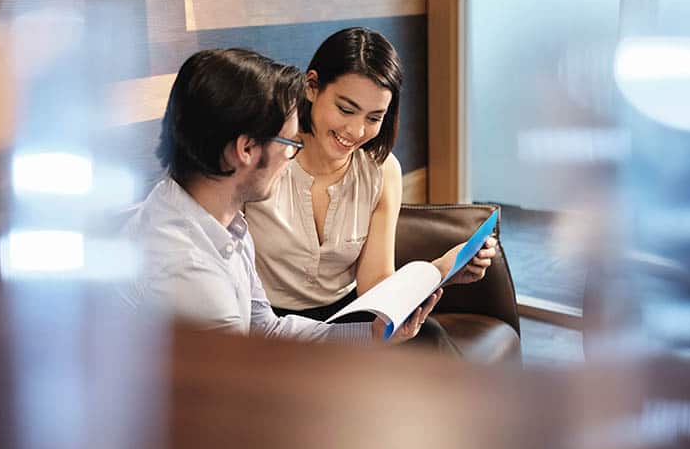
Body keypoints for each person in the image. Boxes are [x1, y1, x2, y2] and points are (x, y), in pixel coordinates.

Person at [119, 48, 440, 343]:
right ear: (245, 149)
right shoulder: (190, 272)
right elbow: (239, 393)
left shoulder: (220, 222)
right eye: (289, 144)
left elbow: (265, 327)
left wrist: (371, 335)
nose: (291, 159)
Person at [244, 28, 496, 354]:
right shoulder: (269, 158)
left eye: (374, 117)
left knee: (429, 338)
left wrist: (444, 268)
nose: (357, 131)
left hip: (347, 314)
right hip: (274, 323)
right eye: (346, 109)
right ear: (312, 87)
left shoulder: (381, 169)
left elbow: (375, 285)